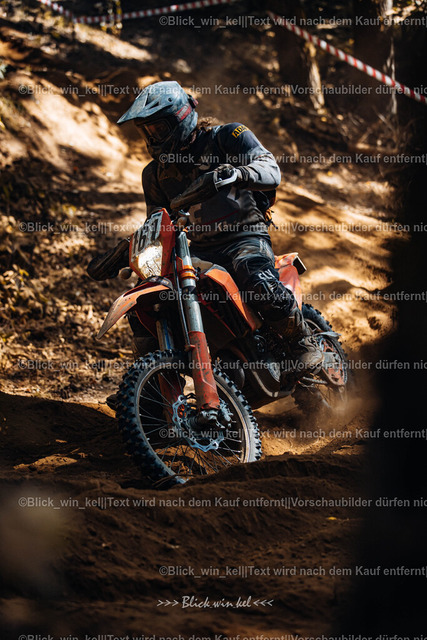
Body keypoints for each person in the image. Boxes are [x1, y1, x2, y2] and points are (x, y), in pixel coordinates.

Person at [88, 80, 322, 373]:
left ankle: (303, 342)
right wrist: (125, 251)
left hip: (245, 237)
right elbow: (158, 223)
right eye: (146, 131)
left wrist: (236, 174)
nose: (152, 137)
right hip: (196, 251)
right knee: (149, 301)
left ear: (180, 117)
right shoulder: (155, 174)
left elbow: (270, 169)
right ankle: (152, 384)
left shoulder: (228, 136)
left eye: (157, 128)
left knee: (254, 276)